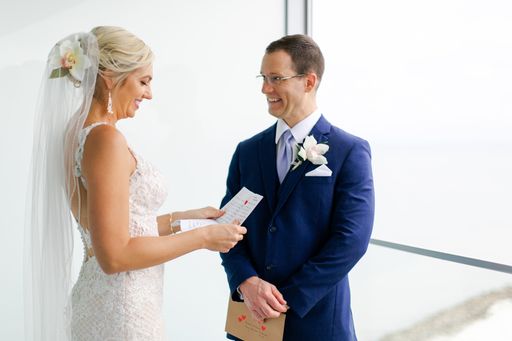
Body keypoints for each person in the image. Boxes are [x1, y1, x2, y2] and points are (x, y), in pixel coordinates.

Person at [24, 26, 246, 341]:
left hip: (105, 300)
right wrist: (204, 236)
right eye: (143, 81)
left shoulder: (74, 133)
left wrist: (183, 219)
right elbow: (115, 255)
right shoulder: (105, 139)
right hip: (124, 309)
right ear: (109, 76)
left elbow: (112, 229)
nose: (149, 94)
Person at [220, 34, 375, 340]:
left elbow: (351, 240)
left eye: (276, 78)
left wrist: (283, 299)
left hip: (316, 322)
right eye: (263, 78)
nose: (265, 89)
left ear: (308, 81)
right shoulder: (247, 151)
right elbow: (228, 227)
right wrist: (247, 282)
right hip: (250, 320)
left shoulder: (349, 151)